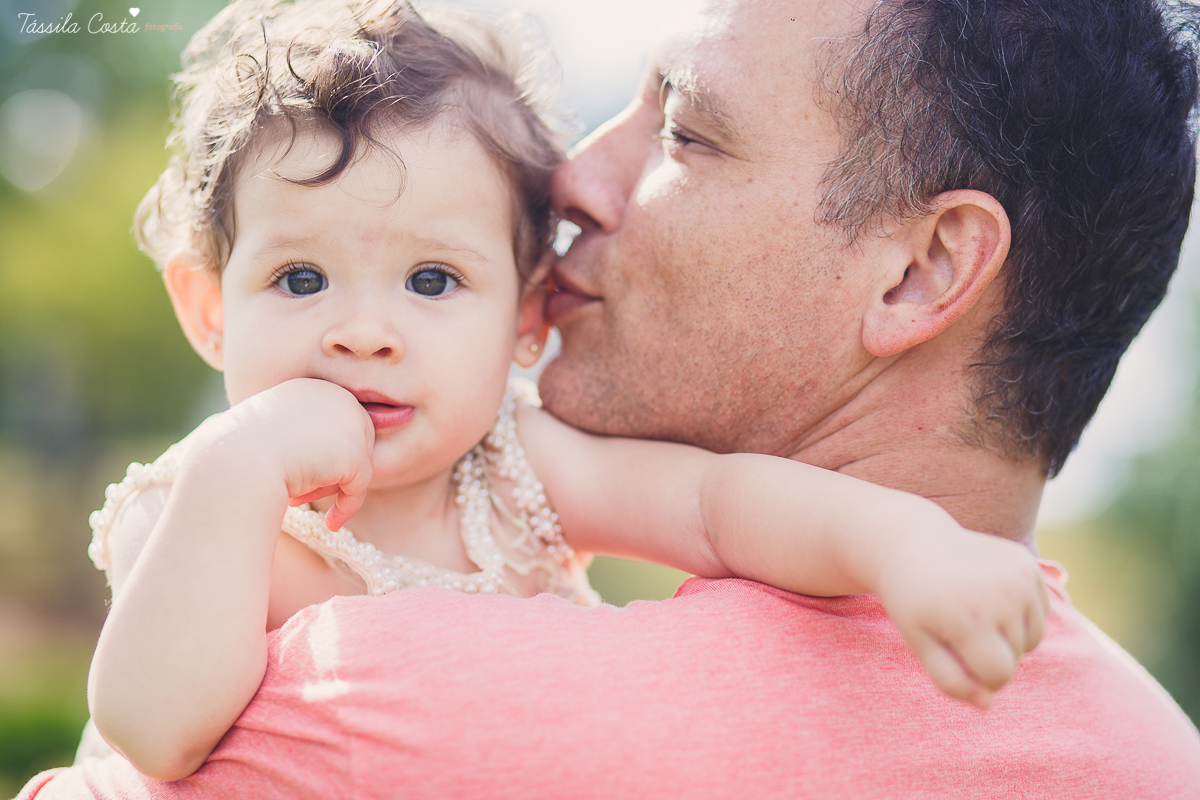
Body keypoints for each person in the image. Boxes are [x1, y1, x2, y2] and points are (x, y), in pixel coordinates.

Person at [20, 0, 1200, 797]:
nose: (573, 178)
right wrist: (240, 462)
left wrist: (907, 547)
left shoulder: (399, 651)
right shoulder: (1157, 755)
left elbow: (718, 503)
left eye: (686, 129)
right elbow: (149, 722)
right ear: (207, 302)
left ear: (922, 267)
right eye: (299, 277)